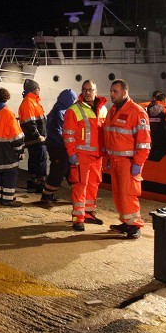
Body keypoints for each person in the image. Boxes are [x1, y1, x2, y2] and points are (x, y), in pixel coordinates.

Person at [103, 79, 150, 239]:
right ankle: (126, 222)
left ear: (125, 92)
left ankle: (135, 226)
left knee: (128, 193)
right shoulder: (113, 111)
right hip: (116, 160)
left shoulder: (136, 112)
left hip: (128, 162)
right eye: (111, 91)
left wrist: (138, 163)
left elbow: (144, 142)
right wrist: (109, 157)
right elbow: (110, 136)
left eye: (115, 91)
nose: (112, 94)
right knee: (119, 193)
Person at [64, 80, 107, 231]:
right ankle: (78, 218)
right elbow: (68, 135)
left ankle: (88, 213)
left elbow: (105, 133)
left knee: (93, 185)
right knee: (80, 186)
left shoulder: (103, 109)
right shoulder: (74, 110)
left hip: (97, 155)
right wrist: (71, 153)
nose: (88, 92)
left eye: (91, 90)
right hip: (81, 155)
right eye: (85, 90)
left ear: (96, 91)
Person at [40, 88, 77, 204]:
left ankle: (49, 195)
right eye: (74, 99)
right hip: (58, 147)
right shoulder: (60, 112)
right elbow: (59, 131)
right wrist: (67, 143)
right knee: (58, 171)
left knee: (63, 170)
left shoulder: (59, 110)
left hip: (58, 146)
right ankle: (46, 195)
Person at [18, 79, 47, 193]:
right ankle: (40, 183)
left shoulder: (32, 101)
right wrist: (38, 136)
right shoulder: (29, 102)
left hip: (34, 139)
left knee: (35, 160)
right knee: (40, 160)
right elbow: (29, 122)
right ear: (34, 90)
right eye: (38, 88)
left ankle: (33, 181)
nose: (39, 90)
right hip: (36, 139)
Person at [147, 90, 166, 161]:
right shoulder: (165, 111)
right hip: (162, 135)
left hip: (153, 135)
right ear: (163, 100)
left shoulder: (150, 110)